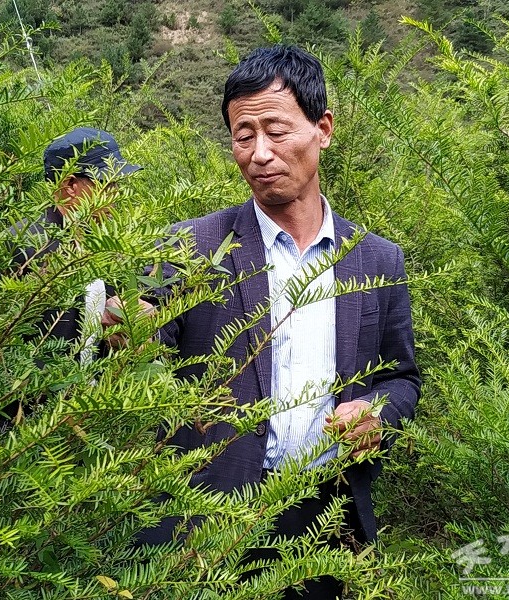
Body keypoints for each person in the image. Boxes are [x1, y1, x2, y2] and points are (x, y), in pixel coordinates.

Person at [144, 46, 421, 598]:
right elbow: (145, 346)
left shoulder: (376, 258)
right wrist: (127, 329)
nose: (260, 153)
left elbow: (402, 377)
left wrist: (377, 413)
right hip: (209, 522)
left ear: (323, 129)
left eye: (276, 130)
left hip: (328, 518)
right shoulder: (190, 246)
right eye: (243, 136)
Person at [0, 127, 142, 370]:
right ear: (70, 184)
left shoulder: (103, 246)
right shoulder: (17, 244)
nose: (116, 195)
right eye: (107, 183)